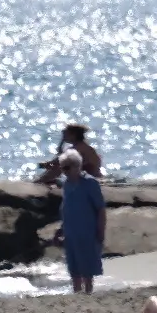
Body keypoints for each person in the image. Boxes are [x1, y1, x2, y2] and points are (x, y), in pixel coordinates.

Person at [57, 151, 106, 294]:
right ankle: (77, 293)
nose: (64, 172)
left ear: (77, 166)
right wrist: (60, 230)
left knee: (87, 268)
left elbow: (101, 209)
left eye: (67, 168)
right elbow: (66, 209)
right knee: (74, 268)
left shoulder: (89, 183)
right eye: (62, 168)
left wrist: (100, 231)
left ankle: (88, 292)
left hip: (87, 231)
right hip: (70, 231)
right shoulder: (66, 185)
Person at [37, 124, 103, 184]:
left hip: (90, 178)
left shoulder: (79, 148)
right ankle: (41, 181)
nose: (64, 136)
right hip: (85, 176)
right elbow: (59, 157)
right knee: (57, 166)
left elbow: (58, 160)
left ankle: (39, 182)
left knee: (57, 167)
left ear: (73, 135)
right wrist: (62, 142)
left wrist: (43, 165)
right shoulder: (80, 146)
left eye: (66, 134)